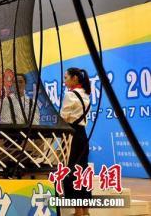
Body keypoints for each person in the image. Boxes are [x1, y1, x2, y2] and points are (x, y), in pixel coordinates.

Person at [60, 67, 92, 216]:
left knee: (71, 171)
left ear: (74, 78)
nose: (64, 81)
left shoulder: (70, 95)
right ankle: (85, 210)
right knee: (83, 170)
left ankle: (77, 211)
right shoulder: (86, 94)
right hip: (83, 135)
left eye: (66, 78)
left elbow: (63, 118)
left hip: (71, 135)